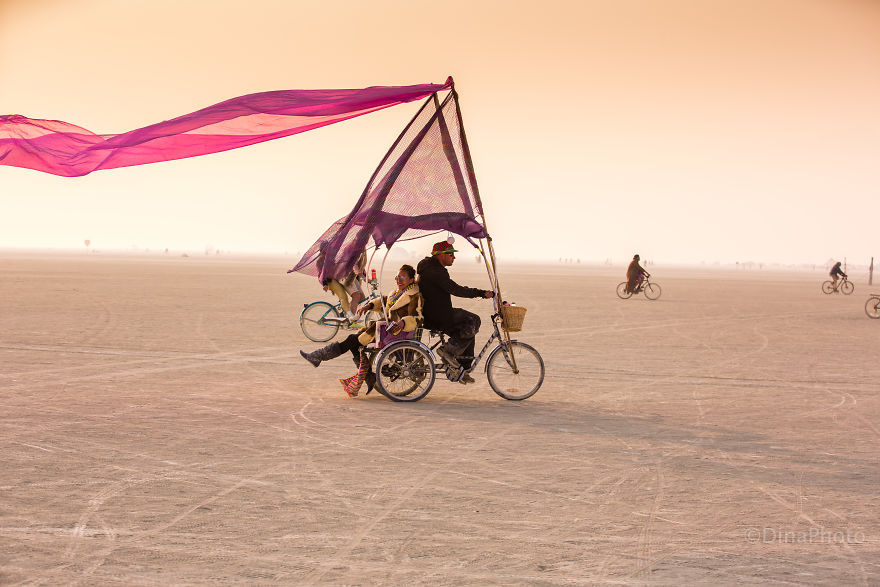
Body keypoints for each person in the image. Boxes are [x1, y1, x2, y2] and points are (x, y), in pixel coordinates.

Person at [300, 264, 420, 397]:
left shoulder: (414, 295)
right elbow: (384, 301)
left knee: (353, 340)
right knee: (354, 342)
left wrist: (403, 322)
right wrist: (367, 306)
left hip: (396, 333)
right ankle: (368, 377)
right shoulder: (396, 293)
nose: (399, 280)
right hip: (385, 330)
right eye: (397, 277)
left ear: (411, 279)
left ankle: (319, 356)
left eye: (403, 277)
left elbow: (417, 317)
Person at [417, 241, 494, 384]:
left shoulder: (430, 268)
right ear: (440, 255)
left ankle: (462, 369)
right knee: (473, 320)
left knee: (469, 330)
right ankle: (448, 352)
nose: (454, 257)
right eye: (451, 254)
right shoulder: (436, 271)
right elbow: (456, 289)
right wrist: (481, 293)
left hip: (435, 312)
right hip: (437, 316)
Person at [322, 250, 367, 322]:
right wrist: (324, 283)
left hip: (351, 276)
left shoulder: (362, 249)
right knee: (353, 296)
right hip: (343, 276)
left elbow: (360, 265)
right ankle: (351, 321)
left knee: (361, 297)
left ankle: (346, 314)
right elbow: (354, 265)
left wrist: (365, 276)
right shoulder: (354, 247)